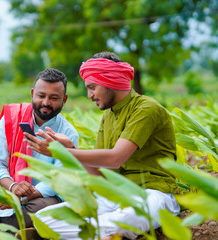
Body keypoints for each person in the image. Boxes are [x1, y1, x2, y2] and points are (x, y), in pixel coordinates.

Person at [24, 52, 180, 239]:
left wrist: (63, 153)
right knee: (43, 218)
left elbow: (115, 158)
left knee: (128, 218)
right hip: (115, 195)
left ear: (111, 81)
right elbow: (99, 174)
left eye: (92, 87)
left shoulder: (146, 109)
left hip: (152, 194)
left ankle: (95, 231)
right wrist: (71, 149)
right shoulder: (108, 116)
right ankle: (101, 232)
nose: (89, 95)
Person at [0, 68, 79, 237]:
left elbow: (58, 179)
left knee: (46, 208)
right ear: (32, 94)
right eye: (41, 96)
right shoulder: (12, 118)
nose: (46, 102)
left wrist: (22, 198)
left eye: (54, 98)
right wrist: (13, 187)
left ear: (64, 99)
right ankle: (7, 232)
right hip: (6, 190)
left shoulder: (68, 134)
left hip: (37, 198)